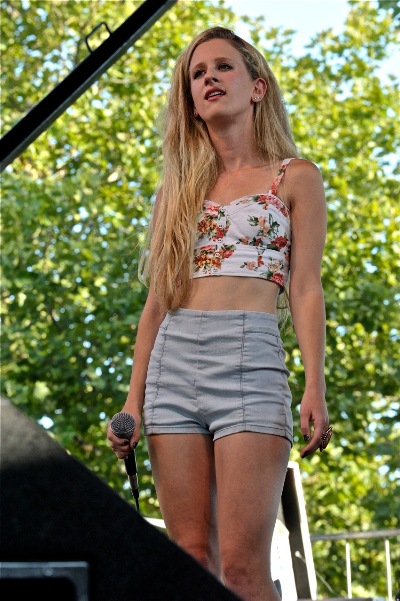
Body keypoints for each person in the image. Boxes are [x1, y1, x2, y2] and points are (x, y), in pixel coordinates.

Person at [107, 26, 331, 601]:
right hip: (172, 365)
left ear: (257, 87)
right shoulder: (178, 191)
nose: (208, 79)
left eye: (222, 67)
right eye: (197, 74)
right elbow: (157, 302)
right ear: (191, 103)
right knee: (188, 558)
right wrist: (132, 401)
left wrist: (315, 386)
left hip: (250, 359)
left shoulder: (294, 177)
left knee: (241, 568)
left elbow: (305, 287)